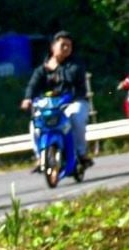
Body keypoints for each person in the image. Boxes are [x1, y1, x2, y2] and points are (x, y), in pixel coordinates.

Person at [20, 30, 94, 169]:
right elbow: (33, 84)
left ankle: (81, 153)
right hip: (50, 105)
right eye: (63, 45)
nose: (66, 48)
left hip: (74, 101)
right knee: (35, 125)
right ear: (53, 46)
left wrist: (57, 68)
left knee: (76, 119)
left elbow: (72, 77)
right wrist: (28, 99)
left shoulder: (75, 64)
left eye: (69, 46)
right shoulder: (43, 68)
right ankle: (40, 157)